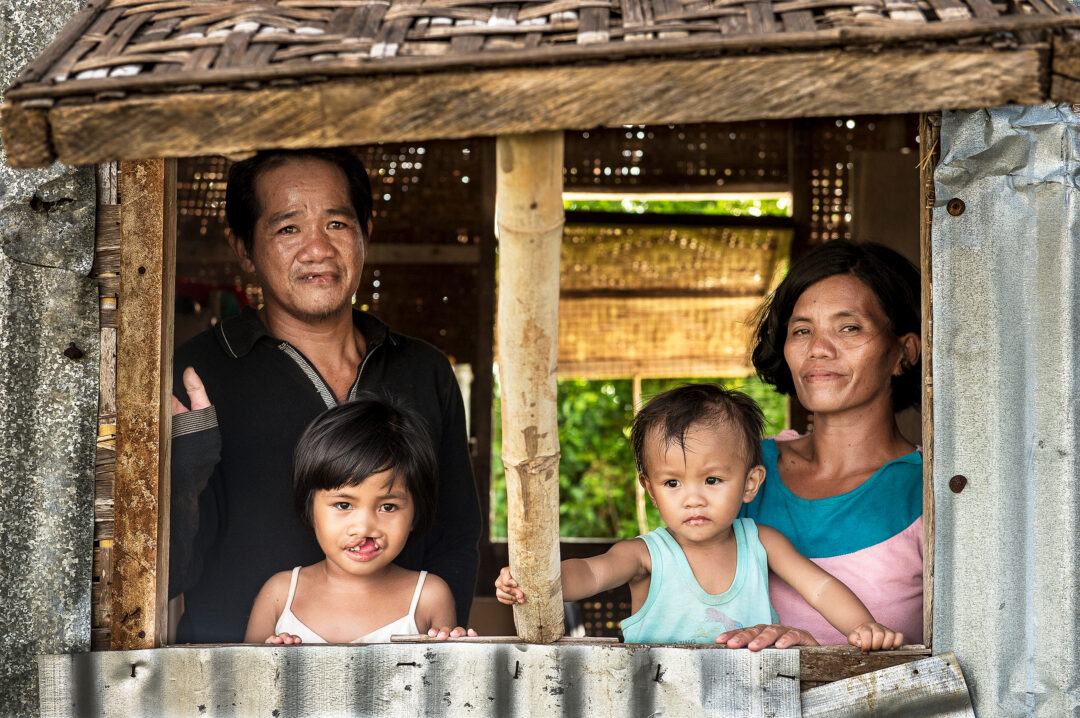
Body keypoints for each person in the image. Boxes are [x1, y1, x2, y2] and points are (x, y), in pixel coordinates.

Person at [170, 148, 482, 643]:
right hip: (235, 685)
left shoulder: (423, 371)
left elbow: (455, 536)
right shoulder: (197, 374)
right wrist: (181, 481)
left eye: (337, 224)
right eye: (288, 228)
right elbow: (165, 574)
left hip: (400, 681)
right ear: (244, 247)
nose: (318, 249)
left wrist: (435, 648)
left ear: (365, 234)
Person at [495, 385, 903, 651]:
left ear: (749, 483)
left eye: (711, 479)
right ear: (651, 490)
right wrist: (534, 581)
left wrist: (864, 629)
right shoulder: (644, 555)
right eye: (672, 483)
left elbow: (821, 589)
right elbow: (589, 573)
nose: (693, 498)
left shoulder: (761, 541)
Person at [717, 240, 922, 651]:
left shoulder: (939, 491)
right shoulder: (738, 471)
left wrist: (819, 659)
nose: (818, 350)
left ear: (904, 352)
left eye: (849, 328)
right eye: (802, 330)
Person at [245, 396, 476, 643]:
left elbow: (443, 678)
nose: (364, 527)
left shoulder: (429, 596)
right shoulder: (279, 594)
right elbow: (245, 679)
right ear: (310, 508)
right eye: (343, 505)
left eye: (388, 507)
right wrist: (272, 660)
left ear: (415, 514)